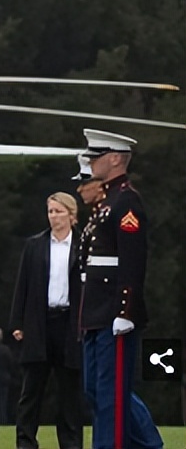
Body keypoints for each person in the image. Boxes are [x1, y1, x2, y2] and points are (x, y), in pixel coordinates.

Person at [77, 129, 163, 449]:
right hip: (96, 312)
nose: (92, 162)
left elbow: (132, 259)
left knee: (110, 395)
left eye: (97, 156)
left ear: (115, 159)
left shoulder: (126, 200)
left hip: (114, 311)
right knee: (95, 390)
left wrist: (125, 309)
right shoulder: (107, 201)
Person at [9, 191, 83, 449]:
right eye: (50, 211)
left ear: (71, 215)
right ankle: (26, 442)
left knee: (69, 392)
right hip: (40, 322)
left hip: (70, 324)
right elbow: (23, 284)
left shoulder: (83, 245)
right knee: (31, 391)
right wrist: (17, 322)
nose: (53, 217)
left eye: (59, 211)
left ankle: (71, 443)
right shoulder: (35, 245)